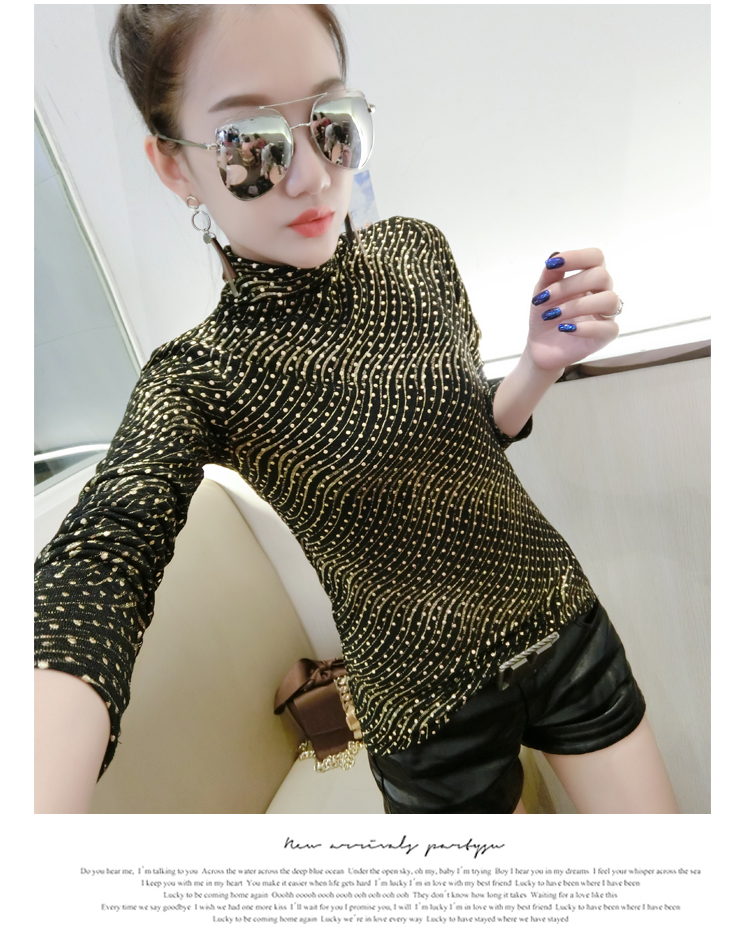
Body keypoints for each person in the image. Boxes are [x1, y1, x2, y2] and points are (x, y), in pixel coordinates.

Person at [34, 4, 679, 814]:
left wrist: (537, 364)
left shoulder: (417, 251)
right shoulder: (199, 377)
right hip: (426, 713)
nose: (311, 176)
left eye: (331, 122)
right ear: (174, 165)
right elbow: (103, 554)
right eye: (250, 144)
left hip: (560, 621)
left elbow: (473, 436)